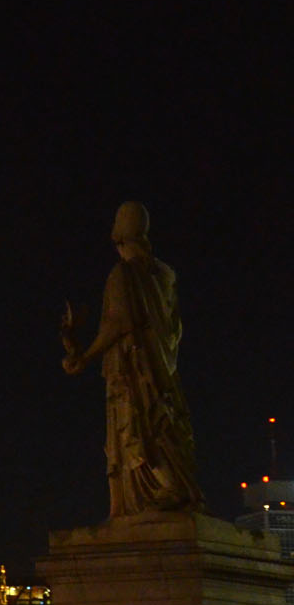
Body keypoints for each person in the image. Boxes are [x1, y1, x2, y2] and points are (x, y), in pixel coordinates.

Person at [61, 202, 203, 515]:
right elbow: (175, 328)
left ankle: (170, 487)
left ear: (119, 234)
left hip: (132, 369)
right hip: (163, 368)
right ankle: (175, 487)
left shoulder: (123, 273)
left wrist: (84, 356)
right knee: (161, 423)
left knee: (136, 428)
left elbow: (117, 322)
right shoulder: (165, 274)